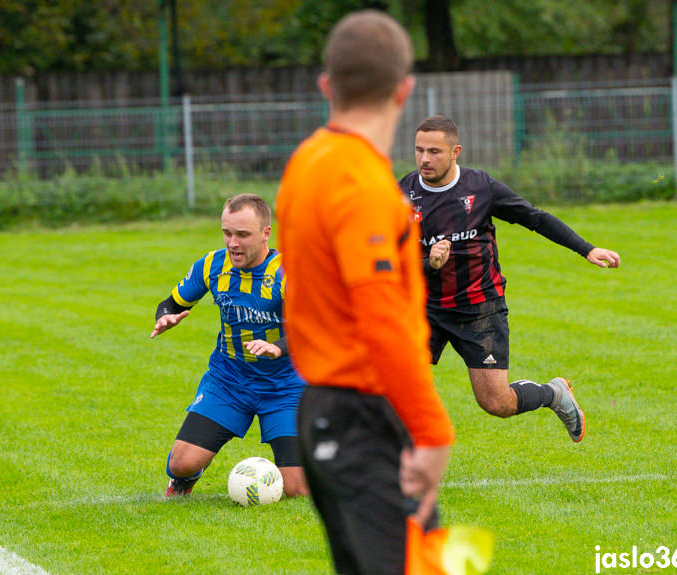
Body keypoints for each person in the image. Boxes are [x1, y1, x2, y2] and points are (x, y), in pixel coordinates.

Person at [276, 11, 457, 575]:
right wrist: (431, 431)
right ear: (405, 90)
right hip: (362, 418)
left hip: (324, 410)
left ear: (326, 85)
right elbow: (380, 317)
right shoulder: (362, 182)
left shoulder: (305, 162)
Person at [399, 115, 621, 443]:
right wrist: (429, 264)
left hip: (479, 309)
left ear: (455, 151)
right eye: (419, 150)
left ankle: (554, 394)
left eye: (434, 151)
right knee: (390, 382)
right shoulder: (402, 194)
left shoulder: (480, 188)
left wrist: (585, 249)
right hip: (424, 307)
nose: (425, 159)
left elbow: (534, 218)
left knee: (496, 402)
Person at [151, 193, 308, 498]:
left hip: (285, 387)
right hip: (229, 381)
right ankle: (183, 482)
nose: (233, 243)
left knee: (297, 490)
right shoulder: (211, 265)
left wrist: (279, 347)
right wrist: (166, 317)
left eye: (242, 235)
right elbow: (170, 302)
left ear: (266, 233)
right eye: (227, 233)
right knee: (181, 463)